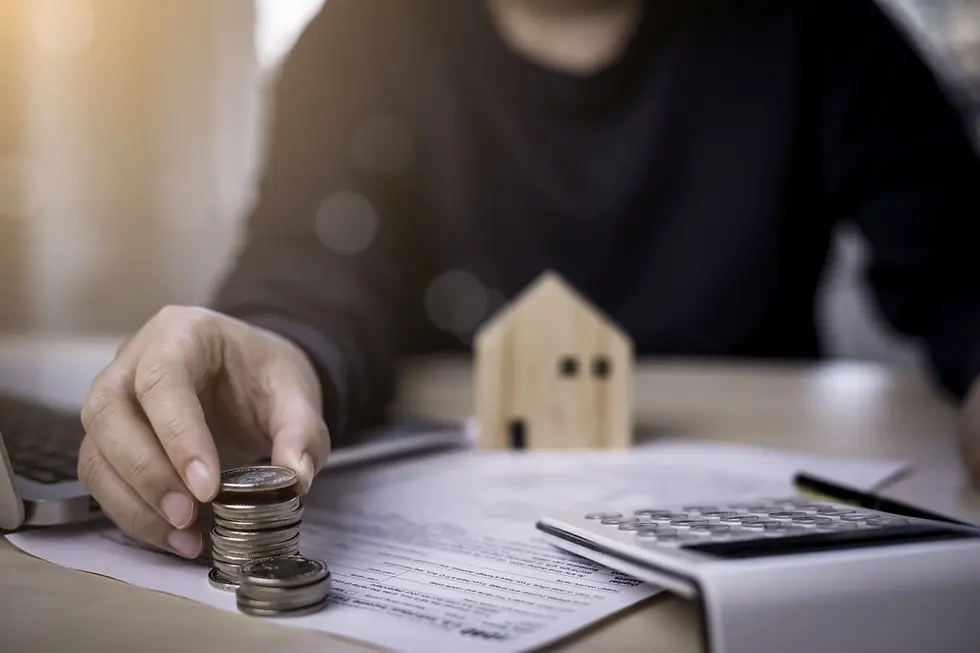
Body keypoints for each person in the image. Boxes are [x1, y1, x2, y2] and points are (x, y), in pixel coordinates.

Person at [76, 0, 980, 559]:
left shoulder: (819, 29)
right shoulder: (357, 39)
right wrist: (275, 344)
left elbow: (956, 255)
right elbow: (313, 263)